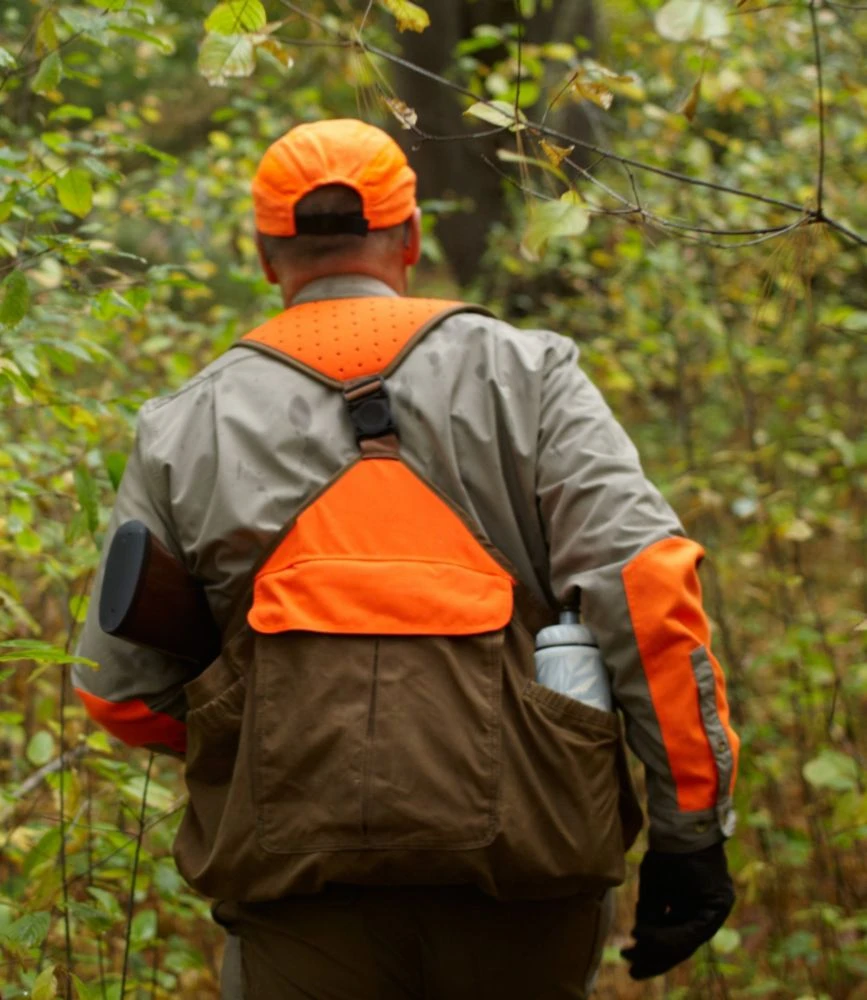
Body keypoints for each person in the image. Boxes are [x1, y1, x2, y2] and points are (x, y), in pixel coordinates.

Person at [74, 118, 739, 999]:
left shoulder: (183, 422)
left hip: (296, 890)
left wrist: (268, 728)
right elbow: (644, 594)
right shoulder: (532, 375)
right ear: (413, 237)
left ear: (265, 254)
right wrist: (690, 831)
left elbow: (119, 693)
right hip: (525, 876)